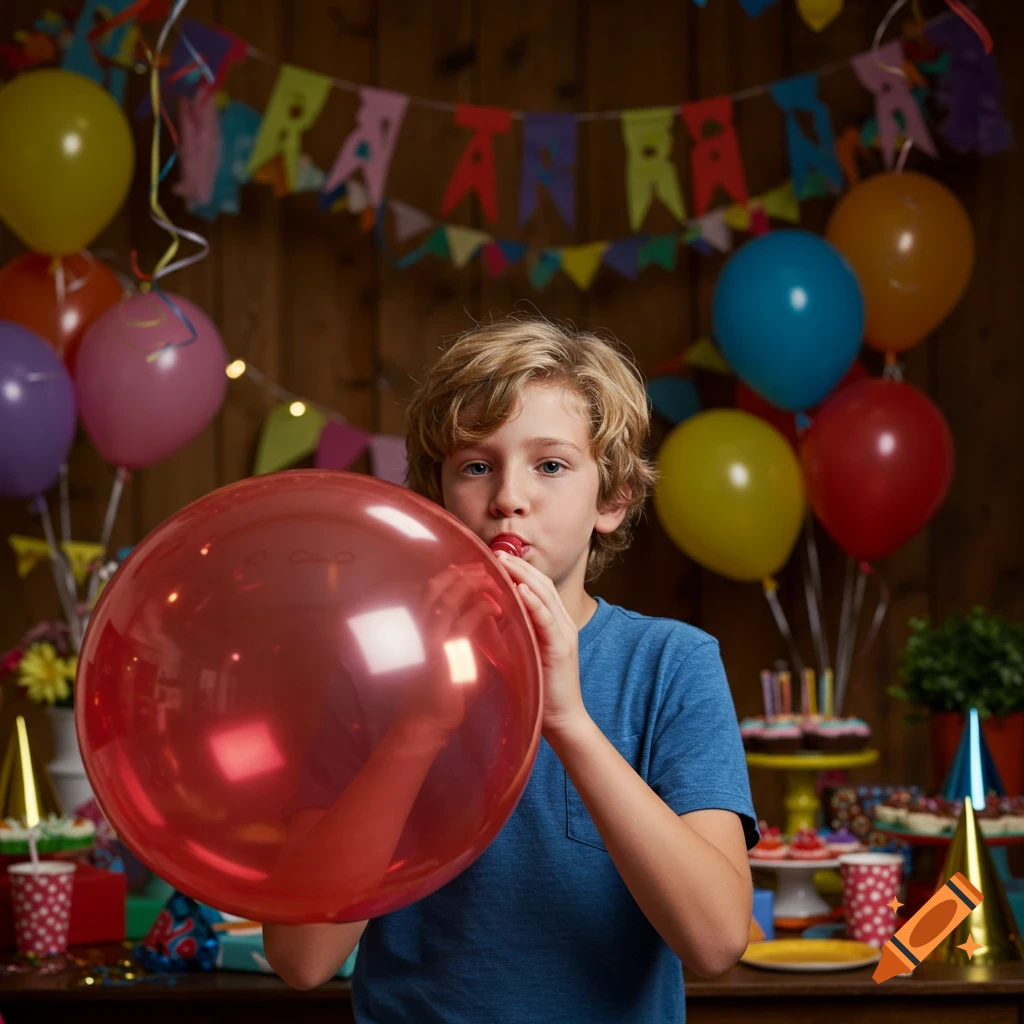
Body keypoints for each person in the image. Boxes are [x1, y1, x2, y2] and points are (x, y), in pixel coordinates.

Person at [264, 314, 759, 1022]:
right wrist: (421, 722)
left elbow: (714, 942)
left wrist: (568, 721)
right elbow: (302, 957)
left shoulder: (672, 665)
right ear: (441, 500)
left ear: (611, 500)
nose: (507, 497)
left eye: (550, 465)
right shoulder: (372, 673)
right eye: (475, 465)